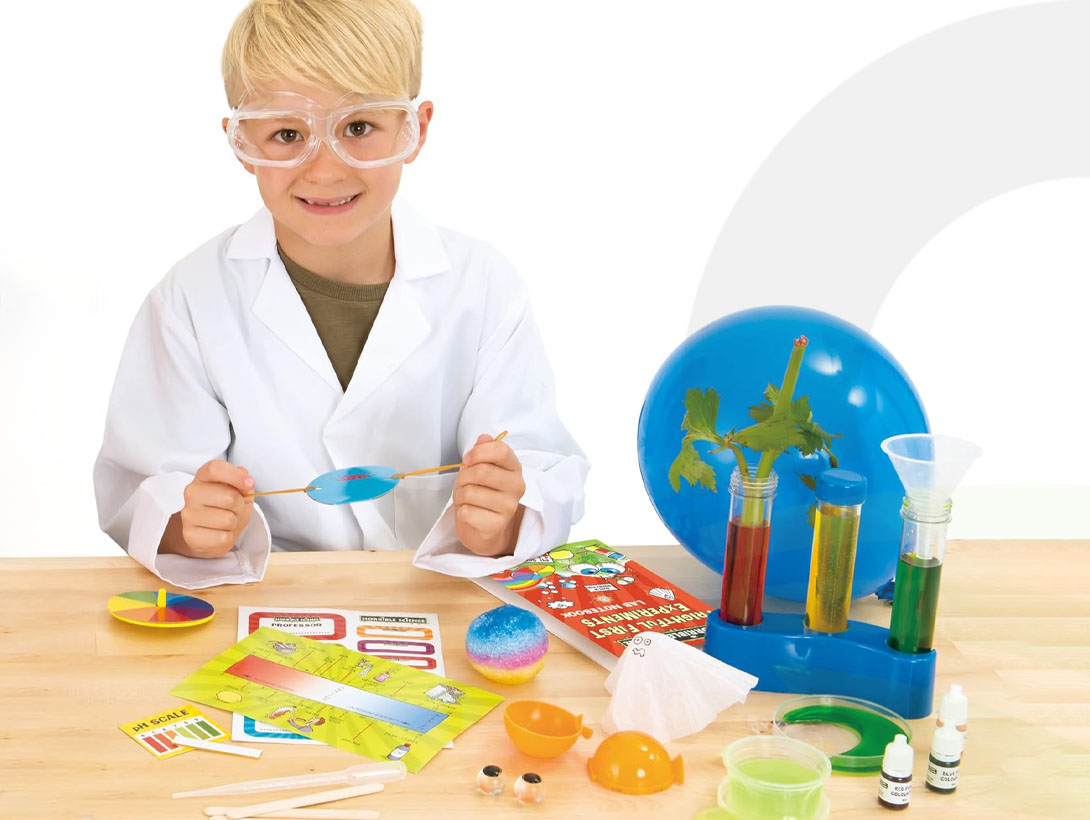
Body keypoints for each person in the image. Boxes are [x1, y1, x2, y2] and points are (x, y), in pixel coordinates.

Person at [93, 0, 588, 589]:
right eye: (286, 134)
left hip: (439, 598)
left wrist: (501, 521)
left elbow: (538, 471)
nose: (325, 171)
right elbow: (144, 491)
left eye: (357, 128)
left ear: (415, 129)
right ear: (240, 141)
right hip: (272, 603)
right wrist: (189, 526)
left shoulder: (482, 287)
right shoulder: (191, 300)